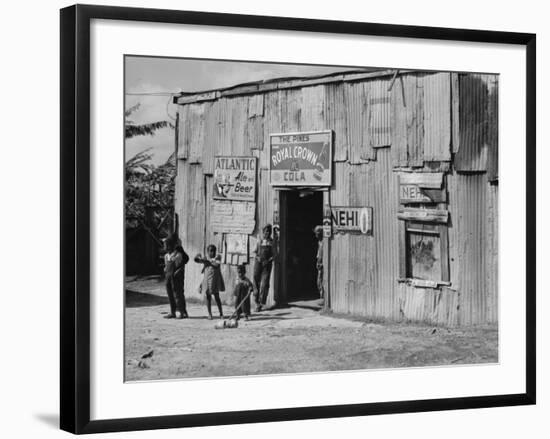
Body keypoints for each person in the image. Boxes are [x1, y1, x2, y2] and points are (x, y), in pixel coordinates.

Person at [194, 244, 225, 320]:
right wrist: (197, 256)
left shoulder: (217, 257)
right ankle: (209, 314)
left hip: (215, 281)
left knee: (217, 297)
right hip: (207, 281)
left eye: (214, 251)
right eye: (211, 251)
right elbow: (197, 260)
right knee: (208, 297)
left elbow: (216, 265)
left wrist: (207, 261)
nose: (213, 253)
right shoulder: (206, 258)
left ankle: (221, 313)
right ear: (207, 252)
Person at [163, 236, 189, 319]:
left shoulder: (178, 255)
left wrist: (177, 272)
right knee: (170, 294)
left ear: (171, 246)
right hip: (168, 277)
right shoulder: (166, 256)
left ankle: (182, 312)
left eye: (167, 245)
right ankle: (172, 312)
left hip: (176, 278)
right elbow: (166, 266)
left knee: (178, 294)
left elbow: (181, 266)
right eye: (164, 245)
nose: (165, 247)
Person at [253, 224, 277, 312]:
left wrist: (269, 260)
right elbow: (255, 252)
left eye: (269, 231)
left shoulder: (272, 242)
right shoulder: (259, 241)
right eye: (265, 231)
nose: (267, 233)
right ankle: (256, 303)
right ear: (263, 232)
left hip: (267, 264)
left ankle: (261, 302)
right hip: (258, 263)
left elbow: (274, 255)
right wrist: (258, 258)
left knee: (265, 283)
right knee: (256, 281)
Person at [313, 226, 324, 300]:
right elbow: (318, 254)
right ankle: (321, 295)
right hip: (319, 263)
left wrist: (321, 262)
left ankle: (322, 297)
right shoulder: (319, 242)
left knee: (321, 280)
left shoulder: (323, 242)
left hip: (322, 264)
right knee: (319, 280)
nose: (315, 235)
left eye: (316, 233)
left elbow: (322, 254)